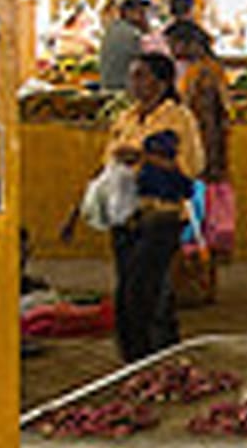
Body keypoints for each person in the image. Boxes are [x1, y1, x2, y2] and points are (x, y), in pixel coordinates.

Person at [67, 55, 205, 360]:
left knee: (141, 291)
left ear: (162, 82)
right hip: (125, 214)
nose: (134, 83)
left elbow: (192, 167)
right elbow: (107, 165)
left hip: (162, 214)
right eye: (132, 76)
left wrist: (143, 157)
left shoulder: (178, 118)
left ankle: (148, 357)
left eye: (142, 76)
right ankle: (145, 357)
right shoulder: (126, 118)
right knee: (135, 289)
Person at [166, 20, 235, 265]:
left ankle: (202, 251)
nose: (172, 50)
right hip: (204, 145)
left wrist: (205, 154)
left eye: (174, 44)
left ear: (190, 44)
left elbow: (206, 119)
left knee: (201, 205)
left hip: (203, 145)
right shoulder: (204, 69)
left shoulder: (203, 75)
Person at [98, 0, 150, 91]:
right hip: (123, 89)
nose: (145, 17)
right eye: (141, 13)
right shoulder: (132, 34)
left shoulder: (112, 29)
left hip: (106, 86)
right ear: (128, 13)